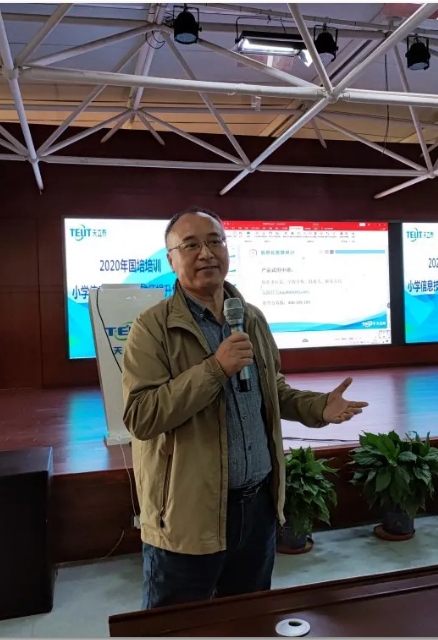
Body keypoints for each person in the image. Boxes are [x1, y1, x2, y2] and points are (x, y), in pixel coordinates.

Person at [121, 207, 368, 609]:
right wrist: (215, 369)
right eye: (191, 245)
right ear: (171, 259)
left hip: (257, 511)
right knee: (177, 631)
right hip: (188, 515)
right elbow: (141, 416)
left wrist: (319, 407)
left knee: (249, 622)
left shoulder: (250, 317)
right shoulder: (151, 328)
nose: (206, 253)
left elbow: (271, 390)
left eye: (215, 241)